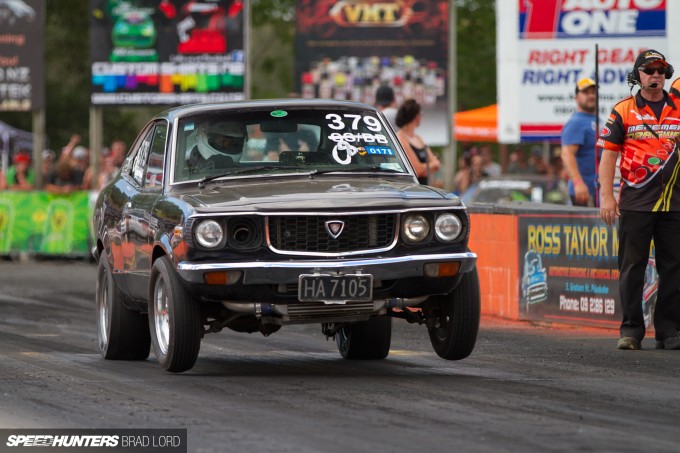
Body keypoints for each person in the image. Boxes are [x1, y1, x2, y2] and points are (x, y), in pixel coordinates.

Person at [597, 49, 680, 351]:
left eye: (661, 71)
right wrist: (606, 197)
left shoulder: (679, 107)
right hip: (635, 203)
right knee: (633, 267)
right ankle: (631, 330)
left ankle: (669, 330)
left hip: (674, 203)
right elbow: (608, 155)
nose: (655, 75)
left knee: (674, 268)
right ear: (637, 75)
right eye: (649, 70)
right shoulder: (624, 110)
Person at [561, 77, 598, 206]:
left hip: (598, 190)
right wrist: (578, 183)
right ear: (576, 97)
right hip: (584, 192)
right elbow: (567, 154)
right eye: (586, 93)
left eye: (593, 92)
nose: (591, 96)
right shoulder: (576, 122)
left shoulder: (597, 120)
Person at [396, 99, 441, 185]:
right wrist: (431, 165)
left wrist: (427, 167)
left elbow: (437, 164)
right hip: (411, 189)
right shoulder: (401, 138)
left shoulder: (419, 138)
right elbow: (417, 170)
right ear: (417, 117)